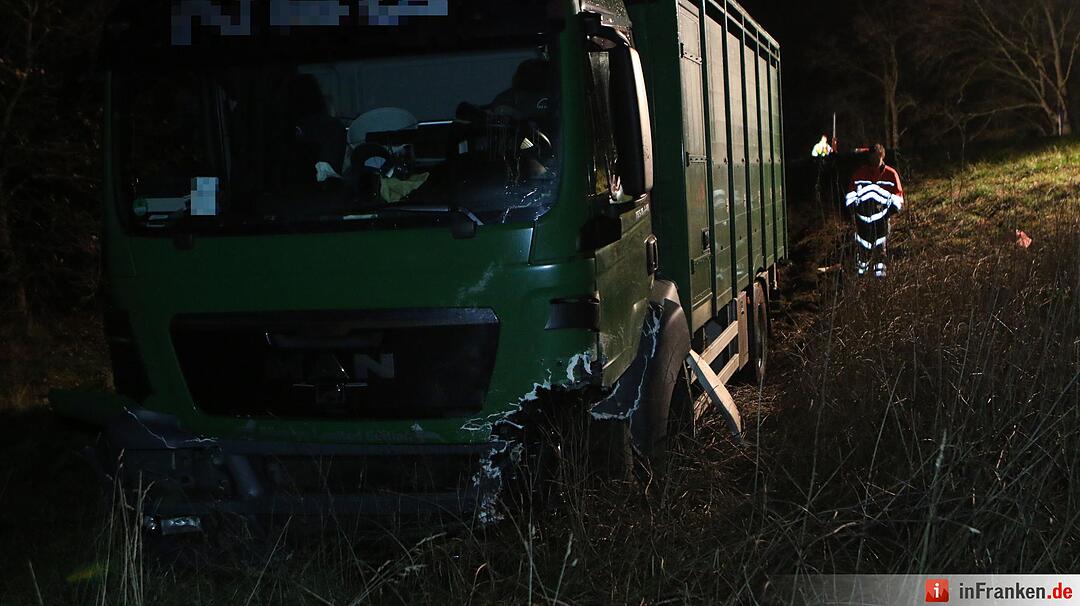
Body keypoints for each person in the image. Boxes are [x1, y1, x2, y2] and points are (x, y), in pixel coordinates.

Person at [845, 143, 904, 277]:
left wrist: (888, 212)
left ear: (882, 156)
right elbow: (850, 195)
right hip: (862, 221)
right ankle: (861, 278)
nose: (874, 161)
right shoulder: (860, 174)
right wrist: (855, 209)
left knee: (880, 253)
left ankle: (880, 279)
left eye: (876, 158)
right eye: (872, 158)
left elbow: (898, 198)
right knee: (862, 253)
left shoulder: (891, 174)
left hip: (881, 220)